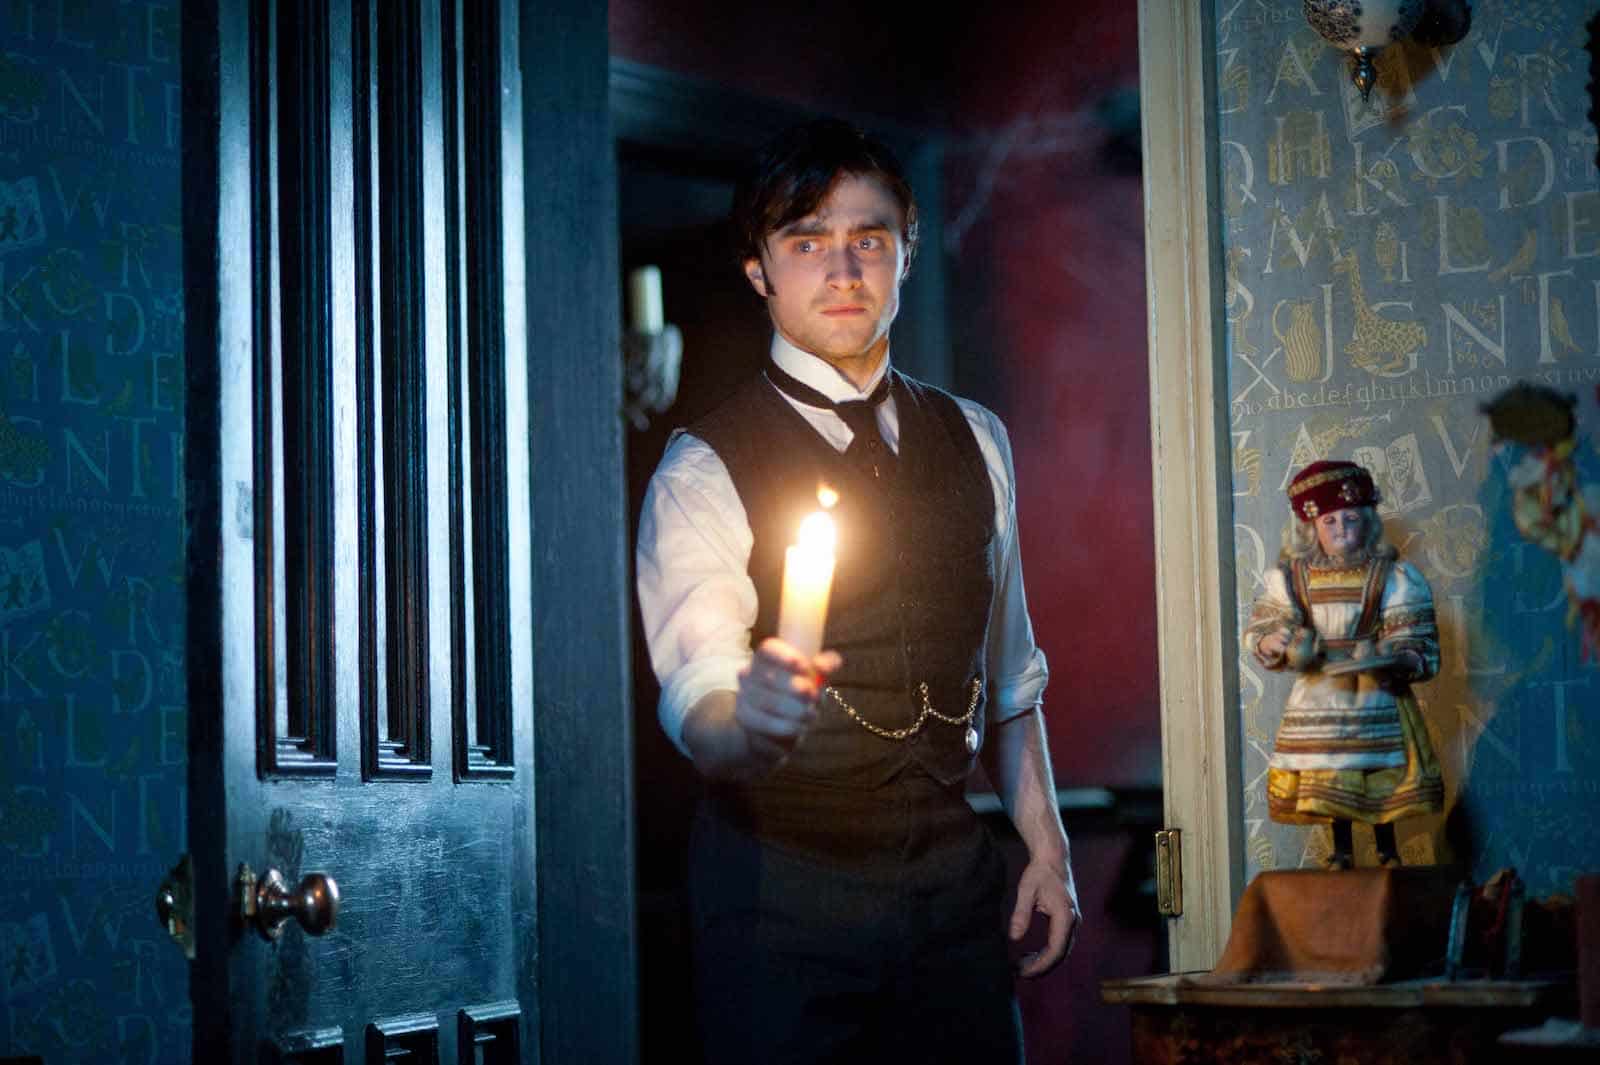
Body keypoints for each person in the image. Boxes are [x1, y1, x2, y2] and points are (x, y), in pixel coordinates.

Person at [635, 118, 1080, 1064]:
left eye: (868, 240)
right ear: (758, 269)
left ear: (906, 253)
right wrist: (746, 722)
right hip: (780, 900)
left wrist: (1049, 848)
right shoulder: (701, 467)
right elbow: (698, 696)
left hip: (956, 894)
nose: (842, 270)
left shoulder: (978, 438)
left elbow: (1010, 683)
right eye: (806, 243)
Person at [1244, 460, 1443, 870]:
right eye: (1330, 521)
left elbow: (1410, 630)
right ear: (1310, 527)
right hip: (1320, 694)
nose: (1341, 530)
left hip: (1375, 692)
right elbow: (1270, 621)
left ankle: (1387, 849)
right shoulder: (1294, 578)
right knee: (1330, 769)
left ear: (1368, 521)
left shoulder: (1390, 575)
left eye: (1351, 519)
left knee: (1377, 768)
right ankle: (1342, 850)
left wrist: (1393, 654)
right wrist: (1275, 640)